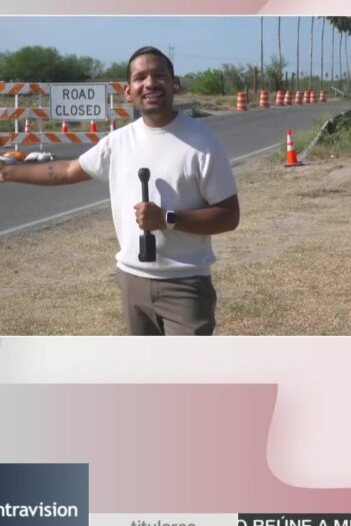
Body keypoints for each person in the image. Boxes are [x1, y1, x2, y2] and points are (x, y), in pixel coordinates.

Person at [0, 47, 240, 335]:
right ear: (128, 91)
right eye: (140, 78)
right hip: (132, 281)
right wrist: (7, 172)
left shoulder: (203, 143)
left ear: (174, 84)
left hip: (185, 284)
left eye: (159, 76)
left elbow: (229, 216)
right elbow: (67, 170)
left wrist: (168, 219)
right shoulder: (118, 142)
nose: (149, 83)